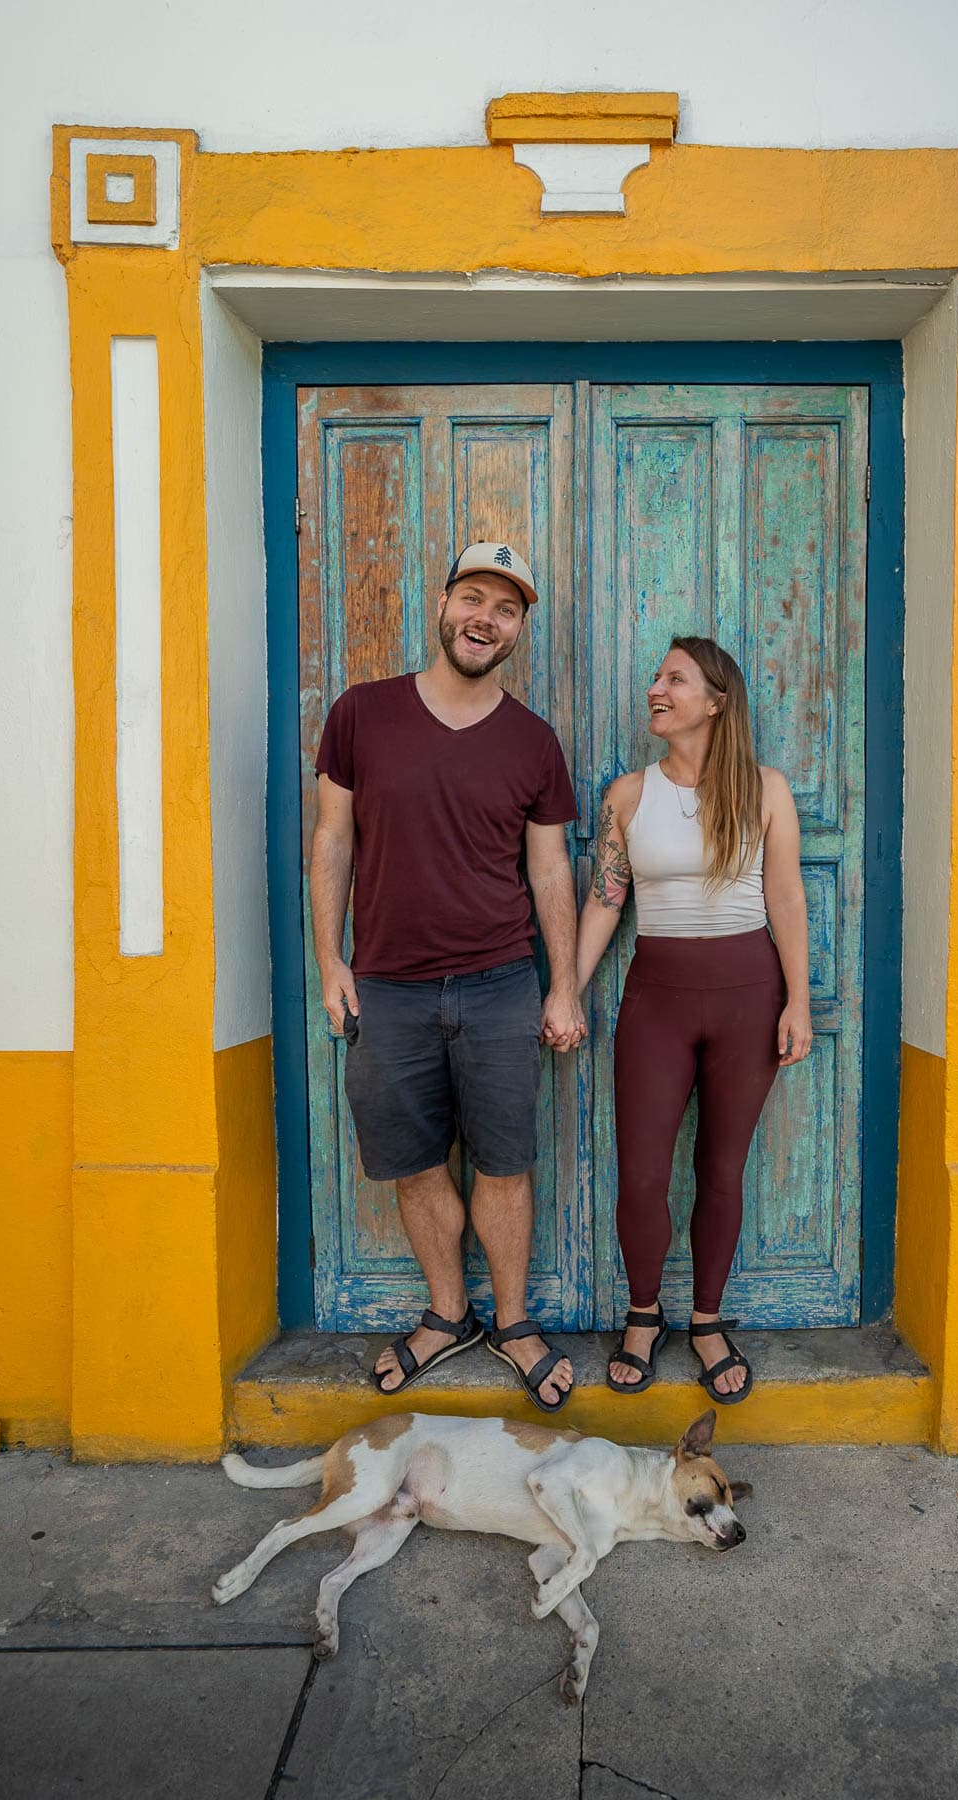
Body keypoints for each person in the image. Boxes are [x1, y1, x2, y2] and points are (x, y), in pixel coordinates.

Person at [311, 542, 586, 1413]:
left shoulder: (533, 741)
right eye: (474, 598)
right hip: (386, 989)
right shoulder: (362, 715)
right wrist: (330, 960)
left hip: (502, 983)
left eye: (505, 610)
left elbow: (549, 871)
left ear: (518, 631)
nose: (485, 619)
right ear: (442, 603)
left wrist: (564, 984)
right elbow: (333, 841)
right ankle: (446, 1313)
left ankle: (511, 1323)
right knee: (415, 1165)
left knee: (504, 1164)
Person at [575, 636, 812, 1403]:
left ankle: (707, 1321)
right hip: (657, 1002)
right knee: (642, 1174)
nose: (656, 688)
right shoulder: (627, 796)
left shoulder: (765, 790)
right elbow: (606, 902)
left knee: (722, 1169)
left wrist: (799, 1002)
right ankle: (644, 1313)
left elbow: (784, 899)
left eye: (674, 679)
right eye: (656, 676)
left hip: (750, 998)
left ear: (715, 701)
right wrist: (565, 991)